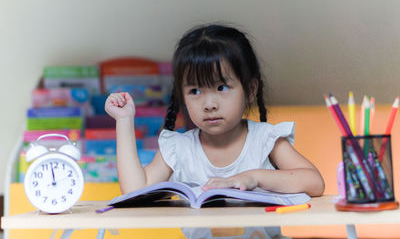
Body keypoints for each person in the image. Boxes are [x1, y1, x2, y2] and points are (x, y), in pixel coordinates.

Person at [105, 24, 325, 239]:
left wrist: (252, 178)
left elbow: (314, 182)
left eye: (221, 87)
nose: (209, 103)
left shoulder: (265, 140)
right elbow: (134, 190)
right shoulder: (178, 148)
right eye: (195, 90)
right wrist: (124, 120)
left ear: (250, 90)